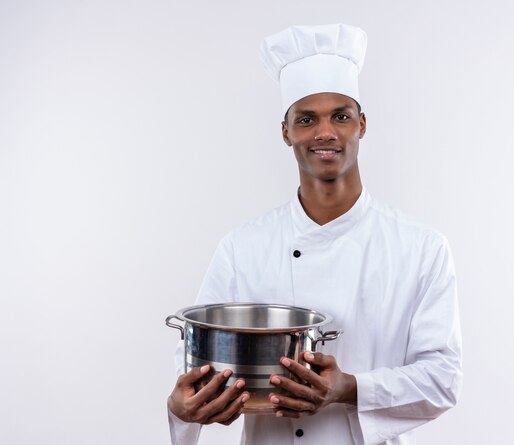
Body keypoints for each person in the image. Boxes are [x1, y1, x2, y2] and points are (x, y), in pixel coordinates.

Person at [167, 24, 462, 445]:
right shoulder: (242, 247)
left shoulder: (421, 247)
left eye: (340, 116)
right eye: (307, 119)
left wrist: (350, 388)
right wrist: (182, 408)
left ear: (361, 124)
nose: (326, 132)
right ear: (286, 132)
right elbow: (192, 368)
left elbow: (444, 378)